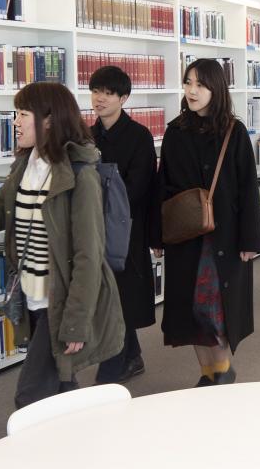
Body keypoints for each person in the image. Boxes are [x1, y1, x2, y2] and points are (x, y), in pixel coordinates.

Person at [0, 82, 124, 409]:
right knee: (62, 384)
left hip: (58, 301)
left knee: (30, 397)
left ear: (48, 119)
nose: (15, 122)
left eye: (22, 114)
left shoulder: (79, 173)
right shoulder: (25, 164)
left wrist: (76, 321)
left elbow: (88, 255)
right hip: (30, 296)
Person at [155, 59, 260, 387]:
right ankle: (209, 373)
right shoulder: (175, 131)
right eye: (188, 83)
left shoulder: (234, 130)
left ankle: (222, 369)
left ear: (216, 89)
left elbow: (247, 189)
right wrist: (157, 237)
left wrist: (249, 241)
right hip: (184, 236)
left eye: (200, 84)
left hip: (225, 238)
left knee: (216, 308)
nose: (191, 90)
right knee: (192, 311)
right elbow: (163, 185)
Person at [88, 66, 159, 385]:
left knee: (122, 293)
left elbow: (138, 187)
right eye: (95, 91)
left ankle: (114, 367)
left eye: (108, 93)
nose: (99, 98)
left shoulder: (139, 136)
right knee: (108, 295)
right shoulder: (86, 136)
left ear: (123, 98)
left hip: (126, 229)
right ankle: (131, 356)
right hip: (91, 228)